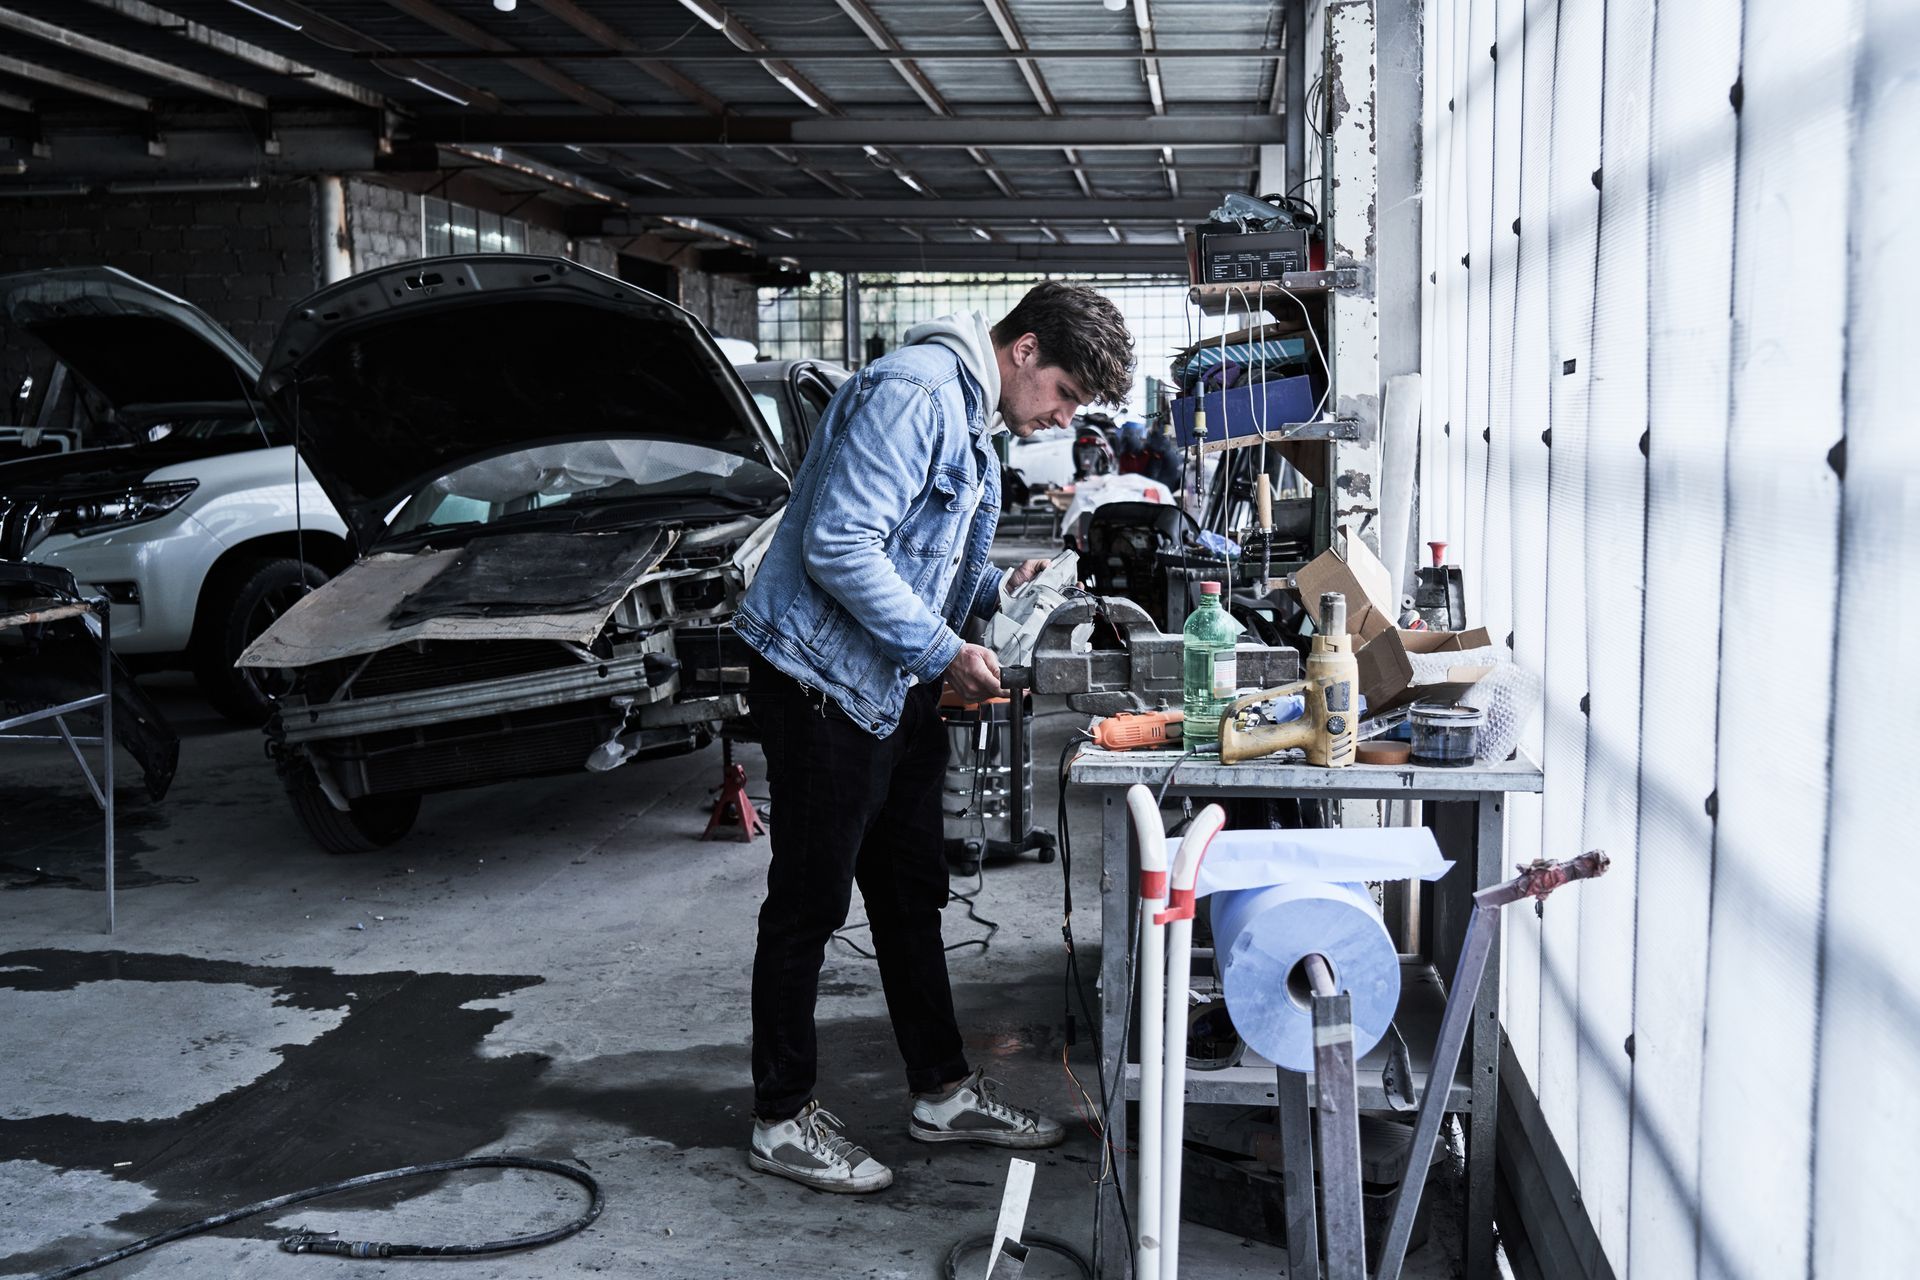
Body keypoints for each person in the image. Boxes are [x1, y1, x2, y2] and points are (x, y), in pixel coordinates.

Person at [732, 282, 1135, 1194]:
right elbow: (841, 546)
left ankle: (942, 1091)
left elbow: (922, 553)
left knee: (910, 895)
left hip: (888, 684)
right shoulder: (915, 392)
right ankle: (780, 1116)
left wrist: (995, 592)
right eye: (1063, 394)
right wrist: (944, 650)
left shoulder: (970, 414)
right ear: (1024, 349)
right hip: (821, 681)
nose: (1058, 418)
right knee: (807, 906)